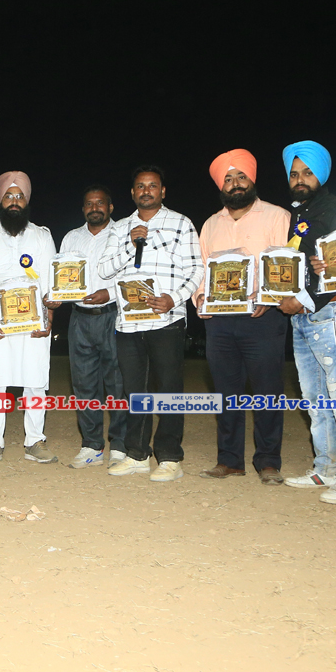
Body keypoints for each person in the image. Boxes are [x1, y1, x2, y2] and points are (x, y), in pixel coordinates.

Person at [97, 165, 204, 482]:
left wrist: (175, 298)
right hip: (129, 324)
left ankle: (170, 457)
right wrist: (129, 245)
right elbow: (104, 270)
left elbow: (196, 269)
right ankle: (137, 455)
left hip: (166, 318)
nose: (146, 191)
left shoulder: (181, 223)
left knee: (169, 389)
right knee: (135, 391)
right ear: (133, 193)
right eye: (141, 186)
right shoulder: (120, 228)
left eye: (153, 185)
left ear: (163, 191)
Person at [276, 141, 336, 503]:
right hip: (302, 319)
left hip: (330, 313)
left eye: (308, 173)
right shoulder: (297, 216)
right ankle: (325, 468)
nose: (300, 179)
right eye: (294, 174)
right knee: (315, 401)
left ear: (322, 175)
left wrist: (307, 295)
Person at [194, 150, 291, 485]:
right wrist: (200, 297)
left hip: (262, 317)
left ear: (252, 180)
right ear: (220, 186)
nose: (235, 184)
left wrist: (269, 297)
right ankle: (229, 460)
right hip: (220, 322)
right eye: (228, 179)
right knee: (226, 393)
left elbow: (285, 263)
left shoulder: (277, 216)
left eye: (241, 177)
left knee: (267, 392)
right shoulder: (210, 224)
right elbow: (202, 269)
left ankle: (268, 462)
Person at [0, 171, 58, 464]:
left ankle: (34, 441)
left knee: (35, 381)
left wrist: (48, 320)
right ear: (0, 201)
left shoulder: (42, 236)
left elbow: (50, 283)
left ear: (27, 201)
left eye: (19, 196)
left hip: (33, 324)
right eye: (8, 196)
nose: (14, 201)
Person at [59, 186, 127, 469]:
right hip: (79, 318)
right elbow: (61, 276)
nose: (94, 208)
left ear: (110, 207)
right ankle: (91, 445)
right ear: (83, 208)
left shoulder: (123, 234)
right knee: (84, 384)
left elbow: (132, 274)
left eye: (100, 203)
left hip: (113, 314)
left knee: (118, 384)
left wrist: (109, 293)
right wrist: (57, 294)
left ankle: (120, 446)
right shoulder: (71, 237)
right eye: (89, 203)